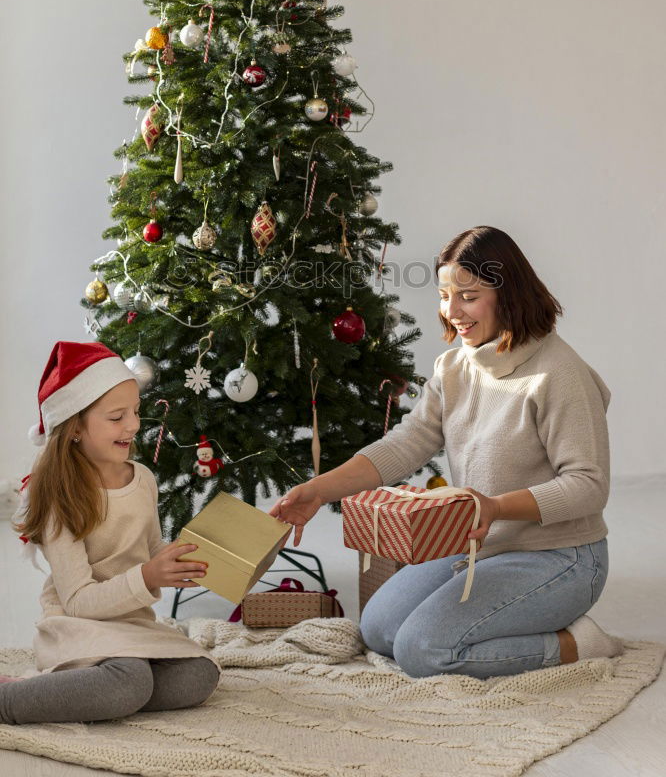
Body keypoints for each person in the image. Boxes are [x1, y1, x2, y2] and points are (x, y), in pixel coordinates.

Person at [269, 226, 624, 679]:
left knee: (423, 652)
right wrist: (319, 491)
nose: (452, 311)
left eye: (469, 296)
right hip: (480, 546)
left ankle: (577, 643)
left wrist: (495, 507)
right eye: (444, 295)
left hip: (561, 557)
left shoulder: (560, 374)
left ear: (508, 294)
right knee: (378, 630)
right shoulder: (455, 365)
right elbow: (407, 443)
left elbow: (588, 486)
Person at [0, 341, 220, 725]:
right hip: (79, 624)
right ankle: (9, 699)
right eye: (117, 417)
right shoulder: (59, 495)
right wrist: (148, 576)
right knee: (129, 683)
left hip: (131, 624)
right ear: (74, 428)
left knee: (200, 674)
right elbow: (79, 601)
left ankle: (104, 689)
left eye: (135, 412)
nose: (133, 426)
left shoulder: (143, 479)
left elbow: (151, 548)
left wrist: (182, 560)